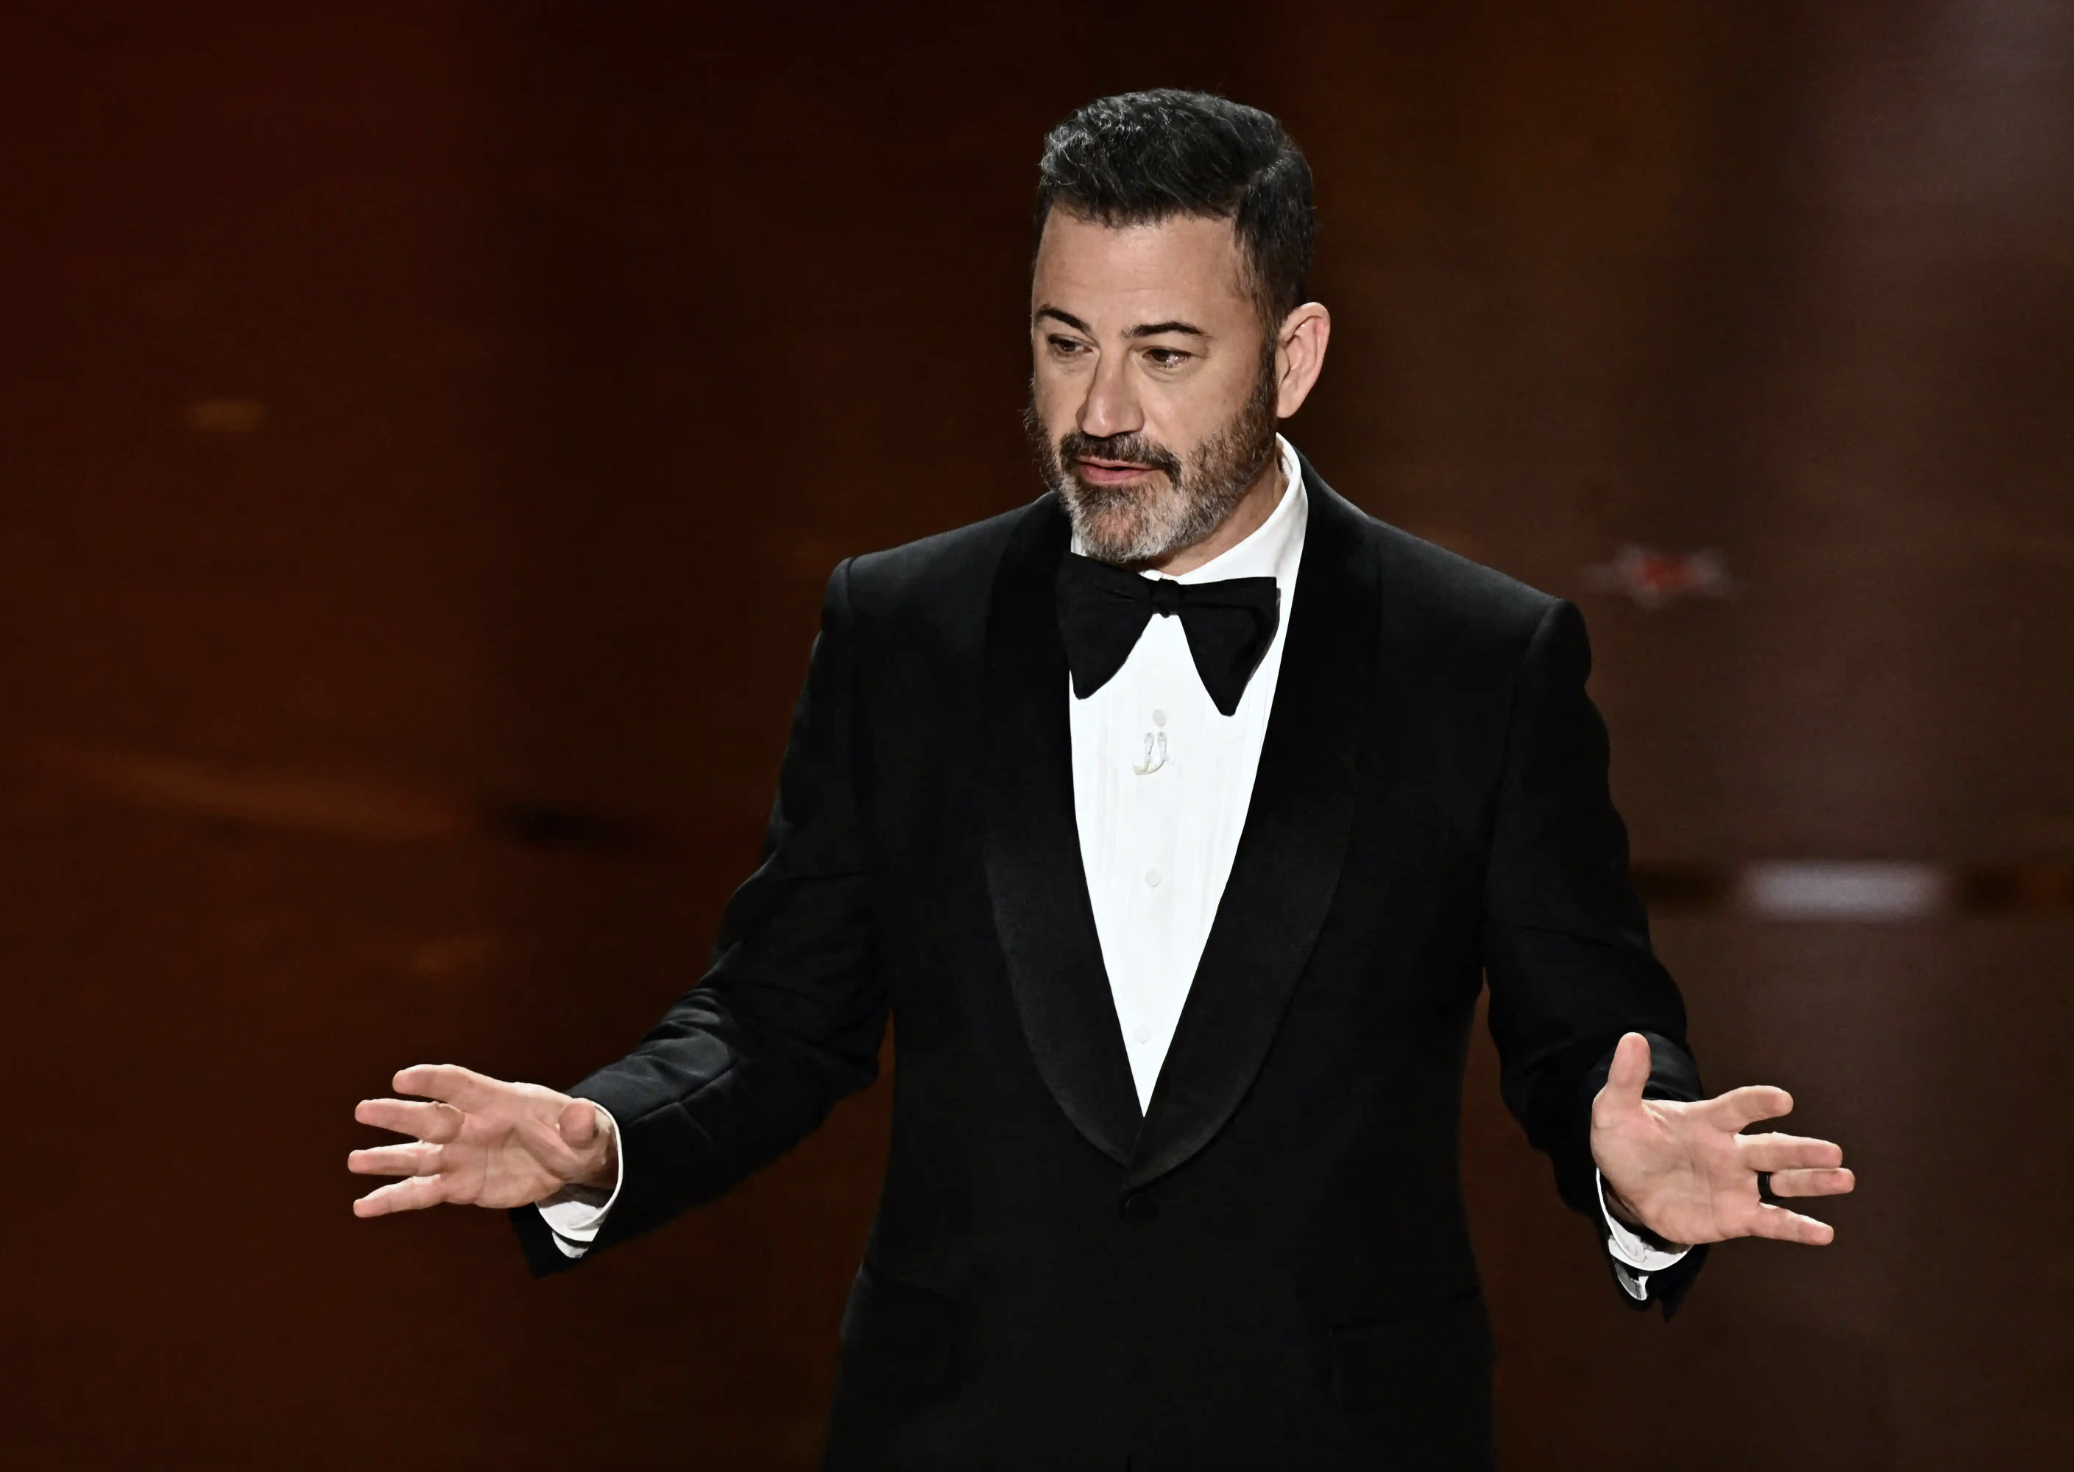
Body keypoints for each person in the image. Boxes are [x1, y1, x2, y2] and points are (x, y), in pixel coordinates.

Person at [348, 90, 1853, 1469]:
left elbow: (1587, 1032)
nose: (1099, 415)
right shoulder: (905, 630)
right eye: (1065, 342)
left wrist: (1634, 1175)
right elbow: (779, 1013)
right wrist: (605, 1139)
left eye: (1164, 354)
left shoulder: (1478, 661)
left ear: (1295, 356)